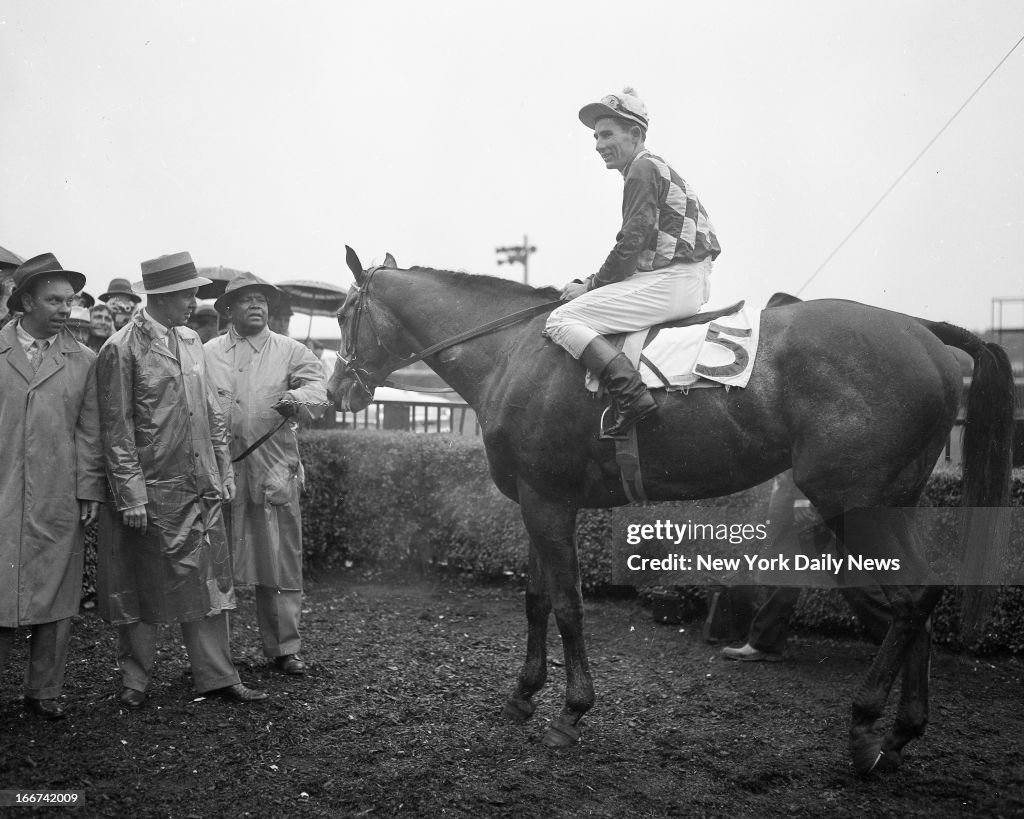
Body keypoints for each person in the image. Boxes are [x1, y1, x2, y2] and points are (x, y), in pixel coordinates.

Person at [96, 252, 267, 707]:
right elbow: (116, 427)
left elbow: (211, 410)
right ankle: (135, 681)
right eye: (187, 294)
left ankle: (218, 675)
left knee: (209, 580)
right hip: (152, 488)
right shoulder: (121, 347)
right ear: (160, 296)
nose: (195, 303)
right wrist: (131, 495)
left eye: (194, 294)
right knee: (140, 581)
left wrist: (222, 468)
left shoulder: (191, 340)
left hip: (199, 482)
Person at [545, 87, 721, 439]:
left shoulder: (642, 168)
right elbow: (636, 248)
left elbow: (630, 244)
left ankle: (631, 396)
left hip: (675, 281)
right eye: (596, 136)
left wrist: (591, 286)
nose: (598, 144)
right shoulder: (653, 167)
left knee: (560, 319)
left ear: (636, 134)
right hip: (681, 279)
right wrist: (592, 281)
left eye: (607, 134)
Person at [205, 273, 327, 676]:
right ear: (228, 309)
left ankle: (284, 648)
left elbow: (320, 390)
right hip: (219, 469)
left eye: (261, 299)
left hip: (273, 469)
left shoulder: (291, 350)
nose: (256, 306)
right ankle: (214, 657)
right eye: (246, 300)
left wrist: (297, 397)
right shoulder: (207, 353)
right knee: (215, 561)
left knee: (278, 560)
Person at [0, 253, 105, 719]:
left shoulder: (84, 360)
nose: (66, 309)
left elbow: (91, 431)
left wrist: (89, 490)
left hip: (58, 493)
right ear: (25, 302)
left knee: (57, 593)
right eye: (54, 300)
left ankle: (44, 691)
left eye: (70, 300)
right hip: (3, 490)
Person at [721, 471, 892, 662]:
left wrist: (803, 497)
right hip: (793, 496)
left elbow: (809, 455)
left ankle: (901, 637)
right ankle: (764, 642)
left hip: (800, 499)